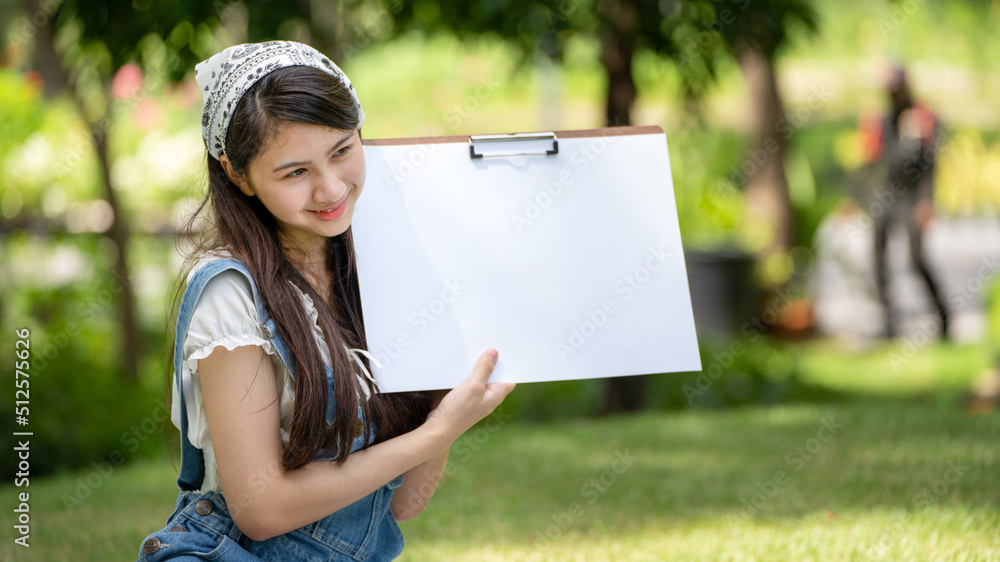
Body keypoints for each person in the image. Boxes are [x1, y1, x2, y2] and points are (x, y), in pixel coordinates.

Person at [136, 40, 515, 561]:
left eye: (342, 150)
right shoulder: (230, 295)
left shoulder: (380, 271)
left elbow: (401, 504)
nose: (332, 188)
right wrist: (436, 434)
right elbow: (261, 510)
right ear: (237, 174)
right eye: (295, 172)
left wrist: (446, 405)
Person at [859, 63, 949, 340]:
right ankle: (888, 319)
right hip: (887, 194)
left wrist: (927, 201)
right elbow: (871, 161)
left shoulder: (922, 116)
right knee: (876, 255)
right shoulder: (882, 118)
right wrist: (858, 197)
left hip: (912, 196)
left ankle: (944, 317)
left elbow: (932, 162)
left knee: (915, 259)